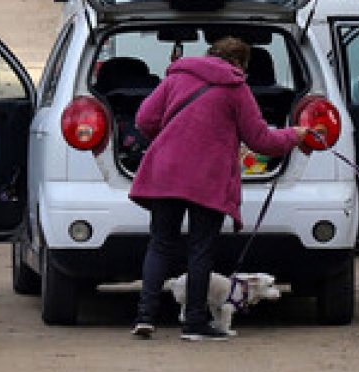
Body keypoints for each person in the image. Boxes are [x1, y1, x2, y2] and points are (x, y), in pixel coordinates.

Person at [128, 36, 309, 341]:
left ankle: (145, 316)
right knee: (200, 249)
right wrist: (296, 135)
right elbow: (261, 140)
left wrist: (171, 137)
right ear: (239, 64)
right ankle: (195, 323)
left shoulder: (177, 77)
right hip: (207, 178)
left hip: (166, 170)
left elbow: (144, 118)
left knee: (160, 244)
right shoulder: (237, 89)